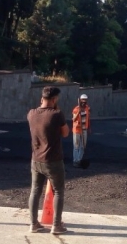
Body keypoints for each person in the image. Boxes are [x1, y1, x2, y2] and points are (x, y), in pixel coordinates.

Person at [27, 86, 70, 234]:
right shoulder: (57, 114)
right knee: (58, 191)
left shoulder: (31, 113)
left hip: (36, 159)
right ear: (54, 99)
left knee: (35, 191)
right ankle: (56, 225)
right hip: (53, 160)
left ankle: (33, 223)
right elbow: (65, 133)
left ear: (42, 98)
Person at [72, 94, 90, 167]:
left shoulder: (87, 108)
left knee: (83, 145)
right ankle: (75, 160)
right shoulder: (76, 109)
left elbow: (88, 118)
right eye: (83, 100)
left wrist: (89, 128)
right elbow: (73, 119)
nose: (84, 101)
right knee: (76, 146)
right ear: (80, 100)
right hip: (77, 129)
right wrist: (78, 113)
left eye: (85, 100)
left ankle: (79, 159)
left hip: (84, 129)